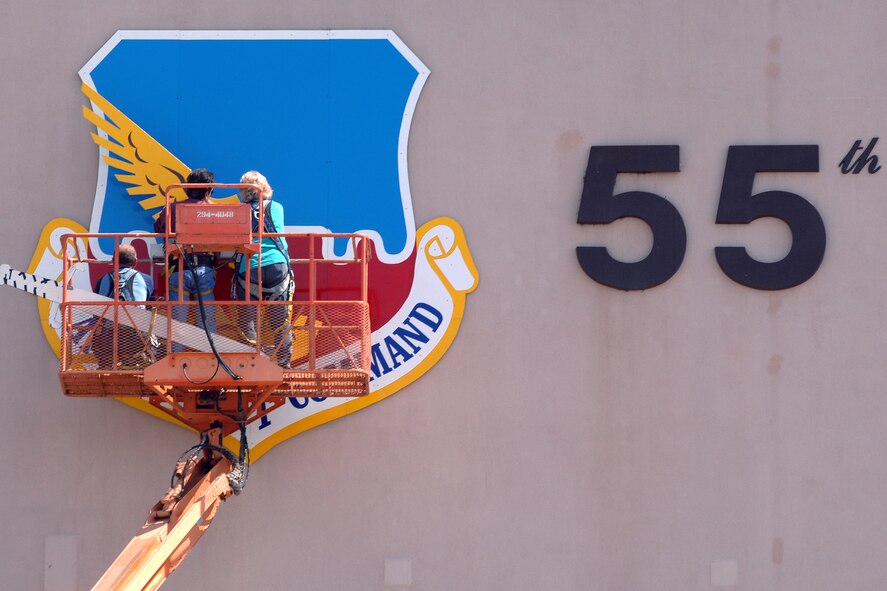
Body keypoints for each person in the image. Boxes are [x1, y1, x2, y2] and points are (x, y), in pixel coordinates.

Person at [234, 171, 293, 367]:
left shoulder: (239, 212)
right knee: (280, 319)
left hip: (250, 266)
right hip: (277, 265)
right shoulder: (277, 207)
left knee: (248, 319)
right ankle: (284, 364)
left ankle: (253, 364)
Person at [155, 168, 217, 350]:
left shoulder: (172, 208)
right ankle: (210, 356)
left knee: (178, 323)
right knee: (207, 321)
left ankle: (176, 357)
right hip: (205, 270)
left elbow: (159, 228)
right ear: (209, 190)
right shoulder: (216, 211)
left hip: (179, 269)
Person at [93, 243, 153, 368]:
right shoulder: (146, 279)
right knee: (156, 344)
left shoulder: (103, 279)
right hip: (137, 339)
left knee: (99, 335)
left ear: (113, 261)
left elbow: (97, 311)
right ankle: (145, 364)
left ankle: (106, 365)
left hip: (108, 339)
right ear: (135, 261)